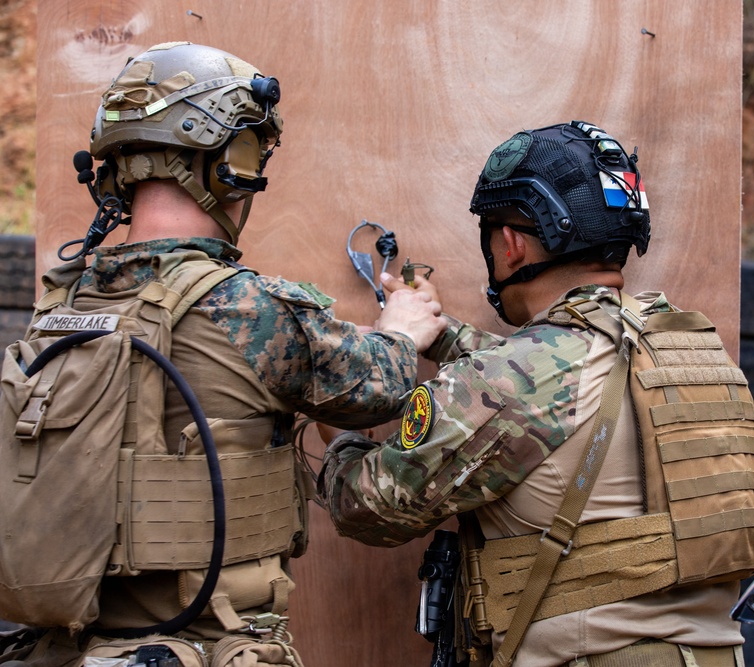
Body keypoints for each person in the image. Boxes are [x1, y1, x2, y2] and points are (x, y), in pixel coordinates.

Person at [0, 41, 444, 666]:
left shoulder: (63, 302)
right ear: (229, 163)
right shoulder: (249, 307)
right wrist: (401, 329)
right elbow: (381, 388)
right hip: (205, 646)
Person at [321, 121, 754, 666]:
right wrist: (443, 338)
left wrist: (346, 414)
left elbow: (367, 507)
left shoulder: (519, 379)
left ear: (511, 243)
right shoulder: (685, 347)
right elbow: (560, 388)